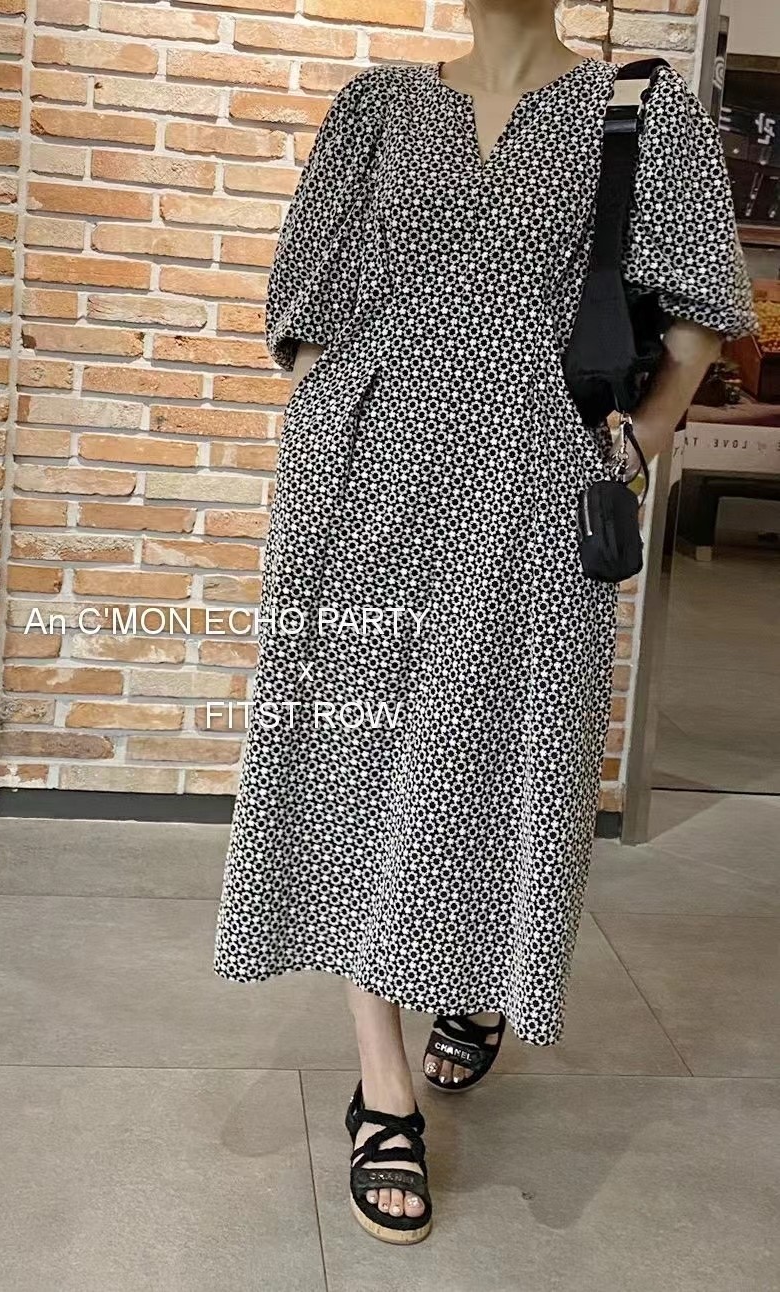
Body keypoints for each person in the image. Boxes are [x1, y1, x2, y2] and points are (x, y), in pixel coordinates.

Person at [213, 0, 758, 1245]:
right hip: (361, 486)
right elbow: (300, 304)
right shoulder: (377, 107)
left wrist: (639, 439)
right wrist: (343, 417)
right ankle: (382, 1082)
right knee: (356, 757)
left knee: (499, 751)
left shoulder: (639, 109)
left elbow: (697, 317)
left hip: (533, 487)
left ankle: (474, 965)